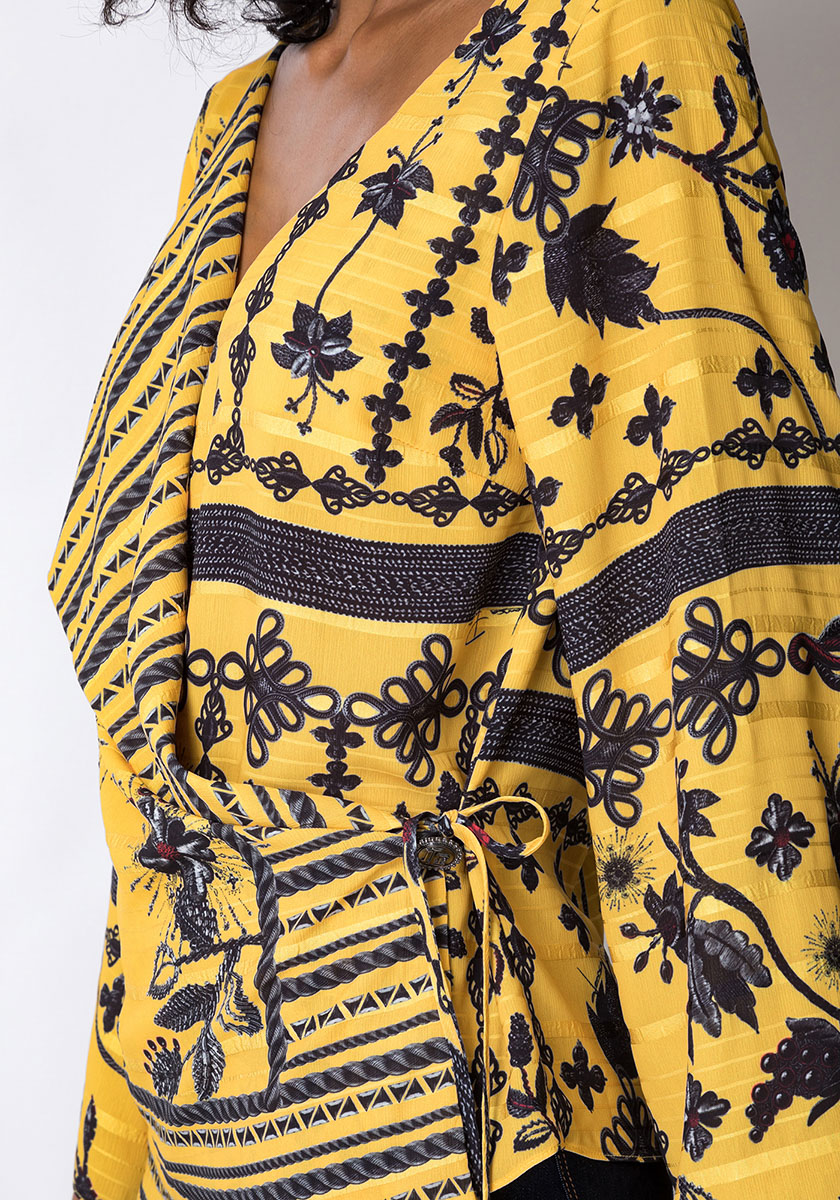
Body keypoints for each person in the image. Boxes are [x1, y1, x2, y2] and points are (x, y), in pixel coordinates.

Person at [48, 0, 840, 1198]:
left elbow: (718, 652)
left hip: (484, 1115)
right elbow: (163, 742)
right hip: (203, 1122)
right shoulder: (237, 120)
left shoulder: (616, 40)